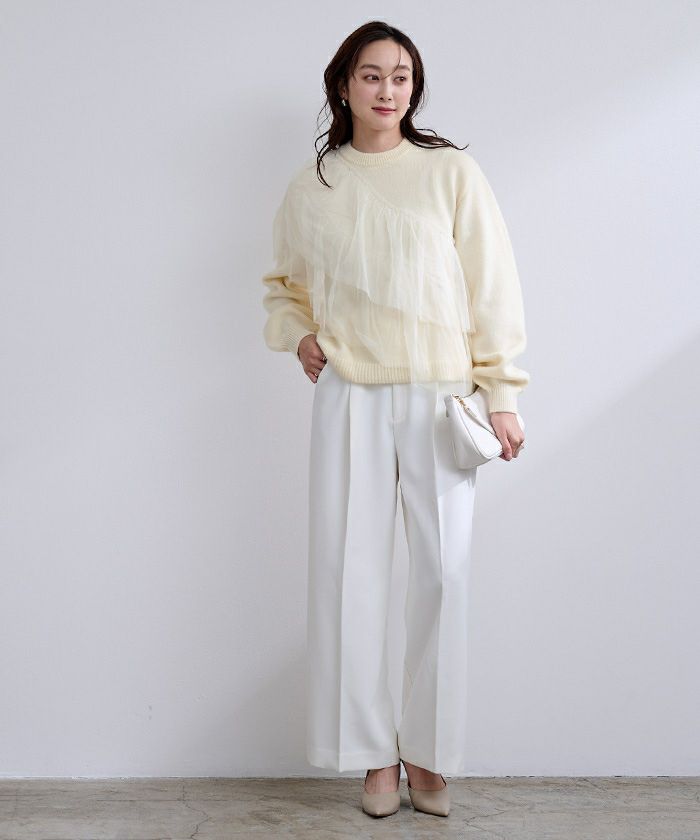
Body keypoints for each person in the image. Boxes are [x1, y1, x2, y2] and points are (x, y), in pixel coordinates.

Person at [261, 21, 529, 820]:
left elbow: (492, 286)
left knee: (445, 574)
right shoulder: (315, 185)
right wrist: (298, 333)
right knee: (351, 574)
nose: (388, 89)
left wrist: (502, 393)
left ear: (415, 87)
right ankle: (373, 755)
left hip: (443, 397)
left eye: (402, 76)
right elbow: (282, 284)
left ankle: (429, 753)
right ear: (343, 85)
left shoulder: (450, 173)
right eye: (372, 75)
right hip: (352, 394)